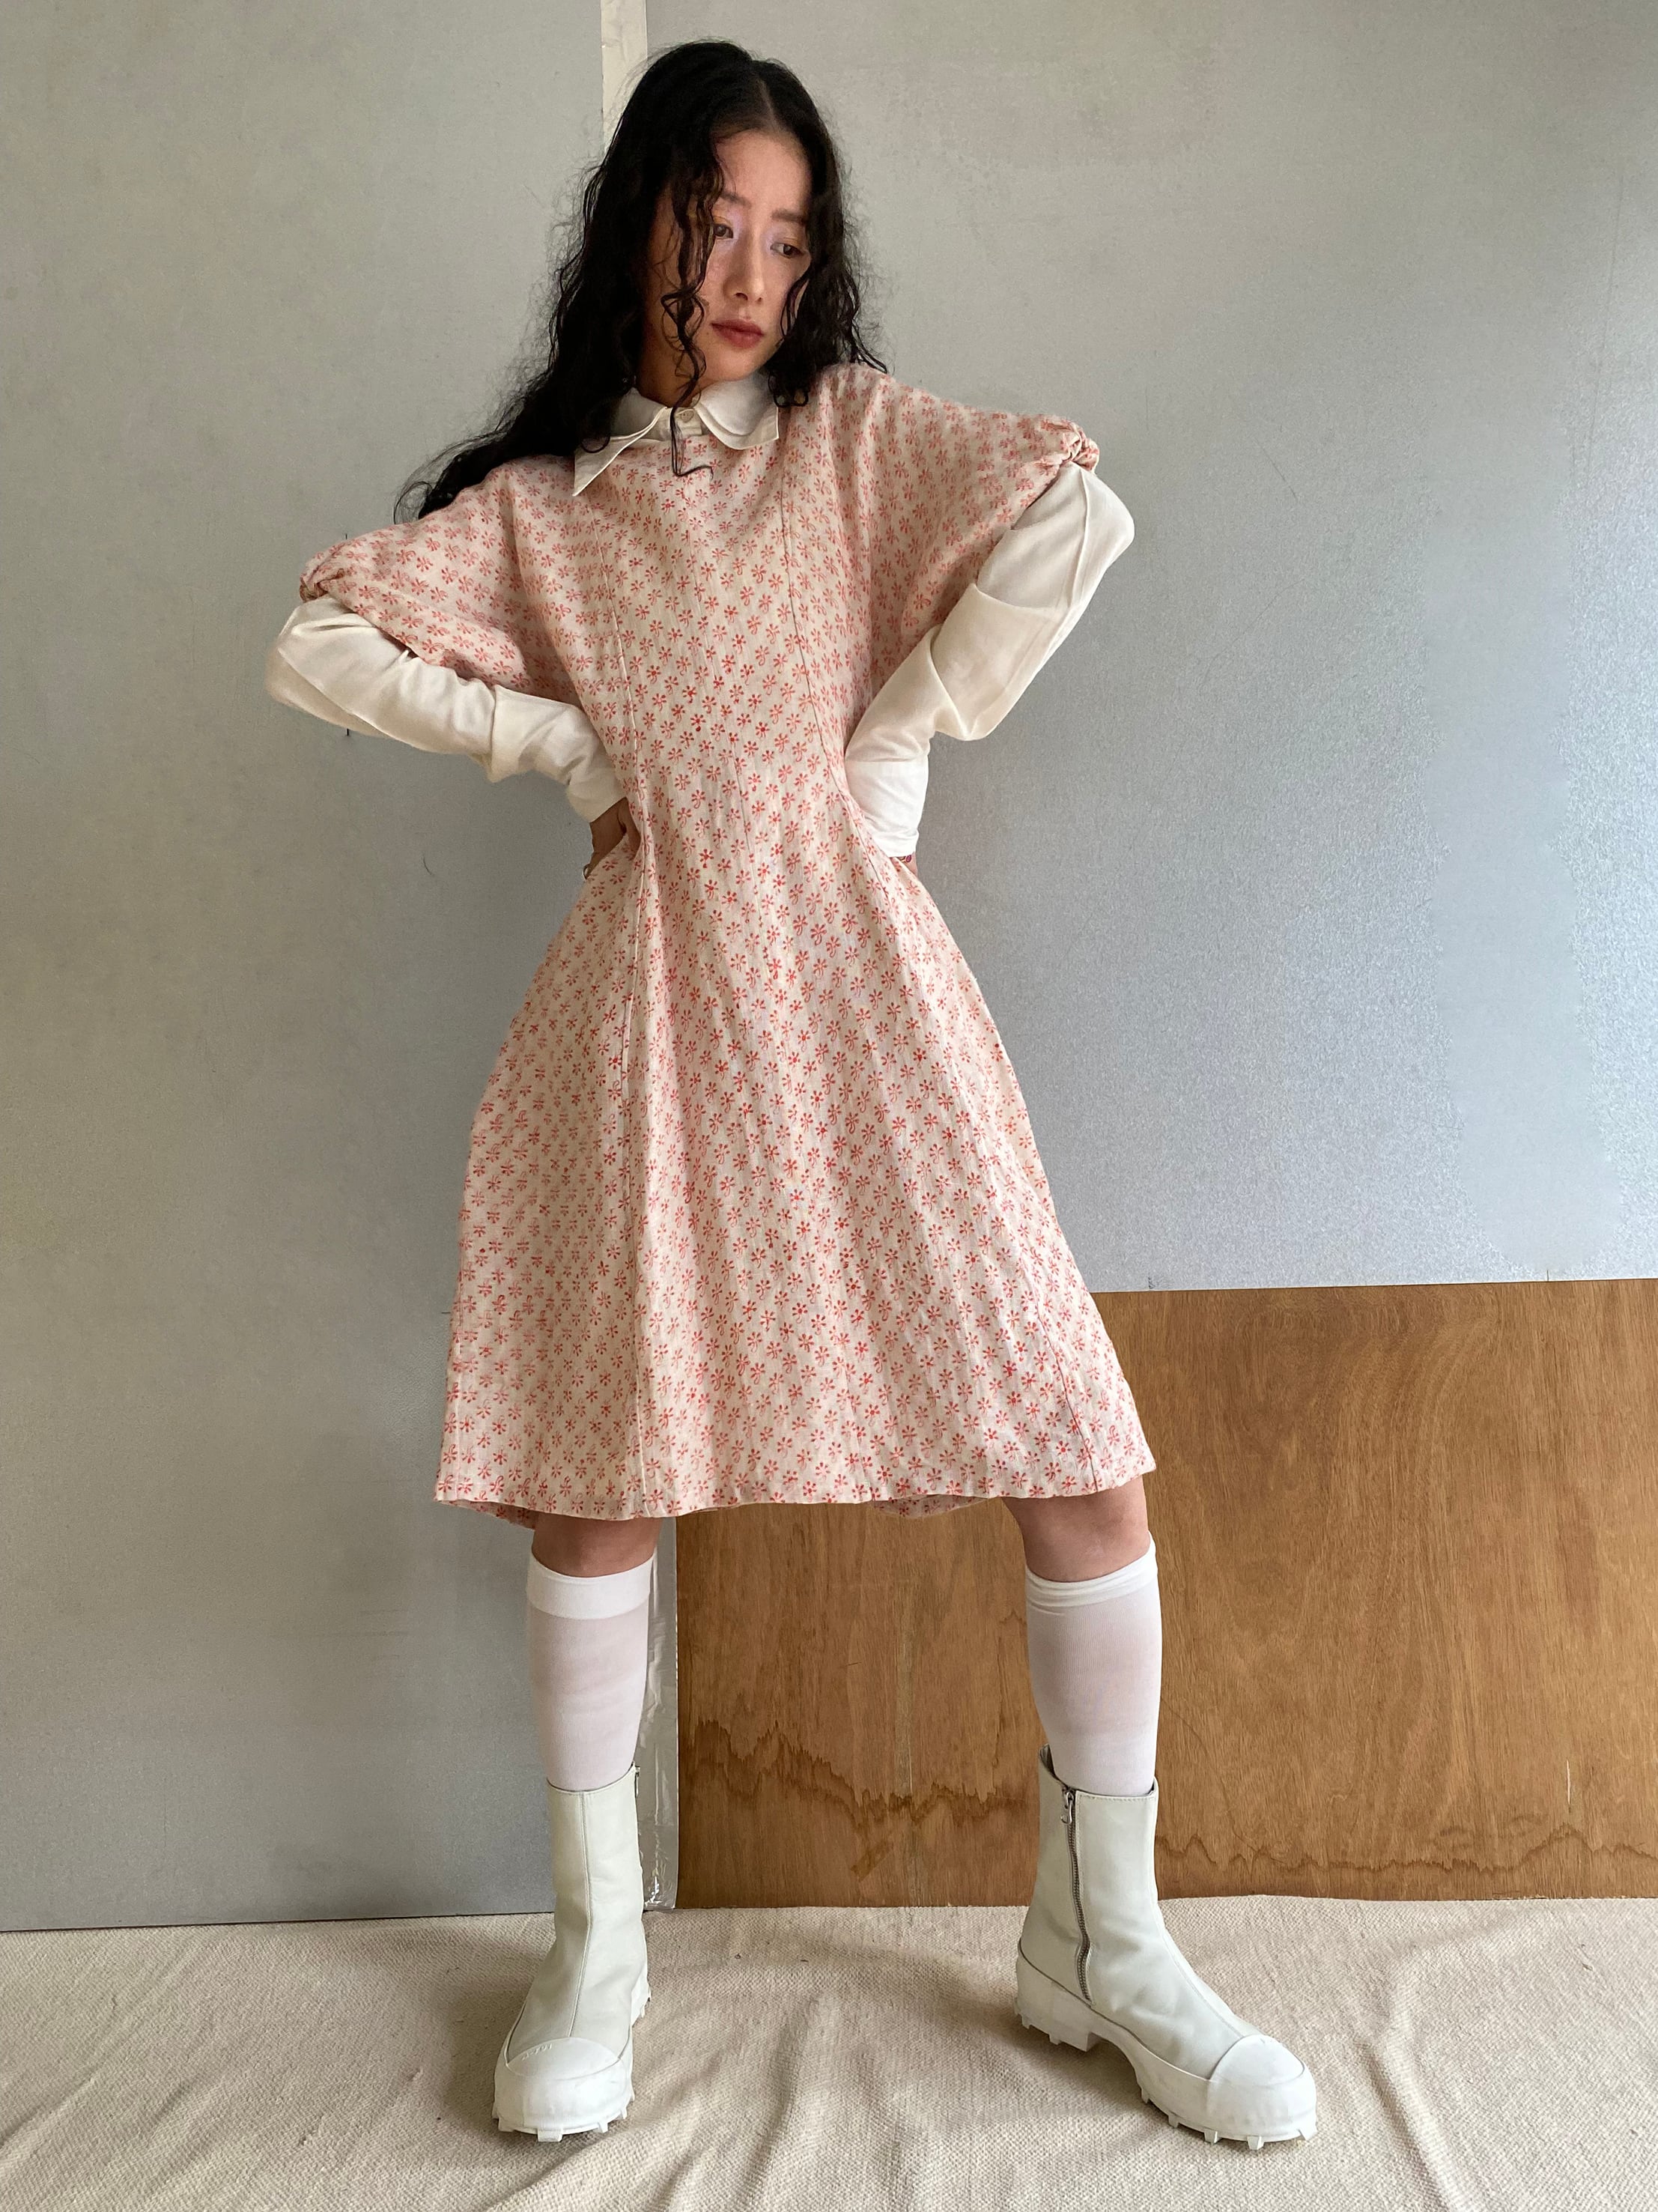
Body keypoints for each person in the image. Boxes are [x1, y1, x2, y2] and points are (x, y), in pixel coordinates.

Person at [265, 37, 1314, 2155]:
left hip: (866, 997)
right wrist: (562, 747)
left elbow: (1075, 509)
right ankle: (595, 1945)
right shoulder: (547, 513)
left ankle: (1103, 1939)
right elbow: (318, 647)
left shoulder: (845, 442)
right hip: (645, 1016)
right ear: (636, 223)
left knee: (1075, 1447)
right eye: (712, 223)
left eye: (787, 239)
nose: (748, 277)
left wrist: (903, 723)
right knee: (599, 1472)